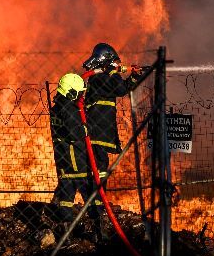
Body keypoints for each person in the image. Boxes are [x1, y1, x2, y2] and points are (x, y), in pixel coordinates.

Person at [80, 42, 150, 190]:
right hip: (96, 131)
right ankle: (96, 202)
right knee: (99, 167)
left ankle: (97, 202)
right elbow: (119, 88)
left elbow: (123, 88)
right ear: (107, 61)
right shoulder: (100, 78)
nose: (118, 65)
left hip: (99, 131)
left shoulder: (104, 77)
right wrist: (113, 71)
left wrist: (133, 76)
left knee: (100, 166)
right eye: (115, 62)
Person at [48, 72, 101, 224]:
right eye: (79, 93)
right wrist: (87, 127)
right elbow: (76, 133)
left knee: (66, 197)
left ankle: (66, 228)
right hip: (77, 161)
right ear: (71, 92)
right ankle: (98, 228)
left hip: (64, 160)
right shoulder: (68, 110)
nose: (81, 96)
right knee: (91, 195)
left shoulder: (57, 108)